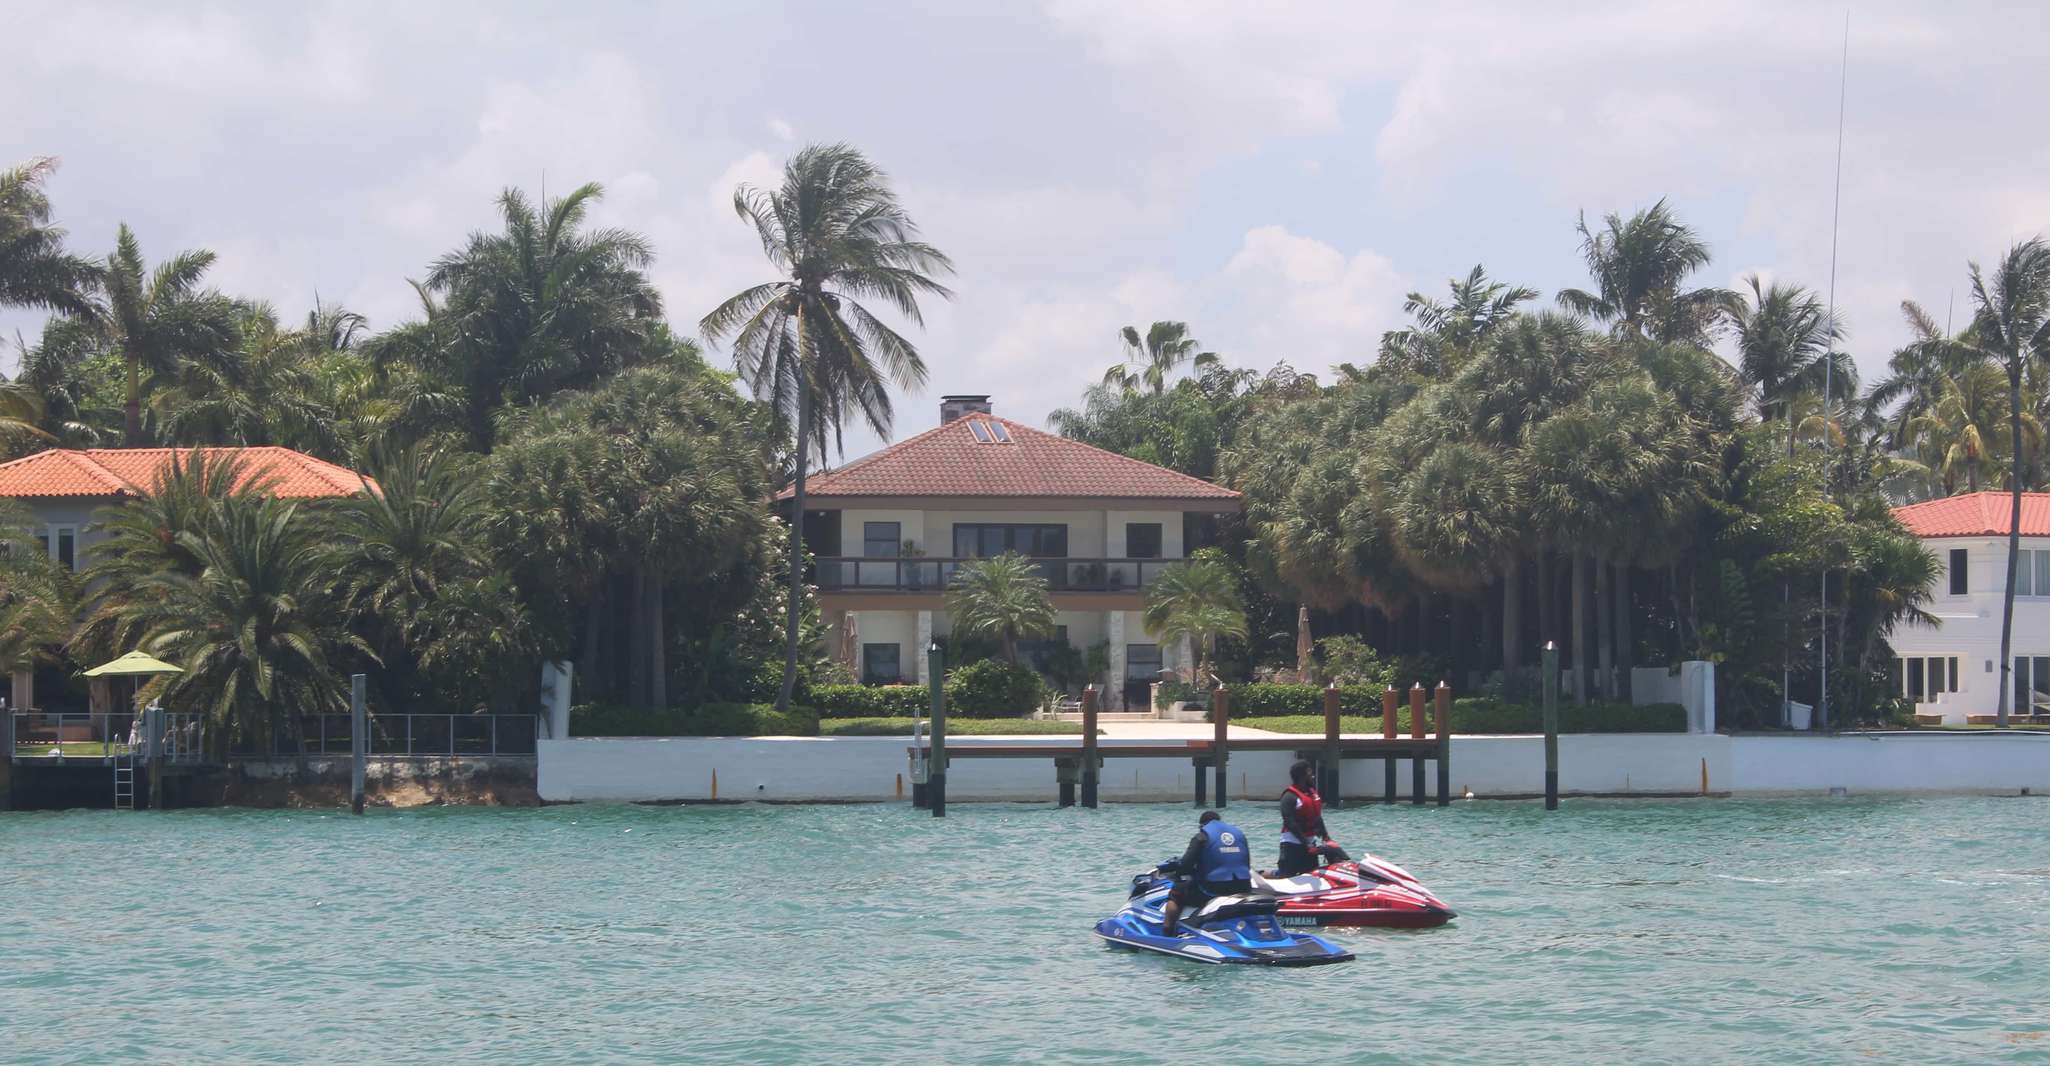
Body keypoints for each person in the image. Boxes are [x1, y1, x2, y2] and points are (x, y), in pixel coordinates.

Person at [1160, 810, 1251, 936]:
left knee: (1176, 893)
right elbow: (1246, 863)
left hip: (1213, 890)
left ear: (1202, 825)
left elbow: (1186, 865)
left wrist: (1177, 871)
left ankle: (1168, 931)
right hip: (1243, 887)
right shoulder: (1239, 834)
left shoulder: (1202, 836)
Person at [1278, 759, 1352, 876]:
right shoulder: (1289, 796)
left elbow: (1317, 817)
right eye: (1309, 772)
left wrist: (1326, 837)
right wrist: (1305, 843)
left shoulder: (1312, 793)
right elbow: (1289, 823)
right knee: (1286, 876)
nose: (1312, 775)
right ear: (1301, 776)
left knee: (1311, 875)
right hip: (1292, 843)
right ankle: (1264, 876)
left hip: (1310, 842)